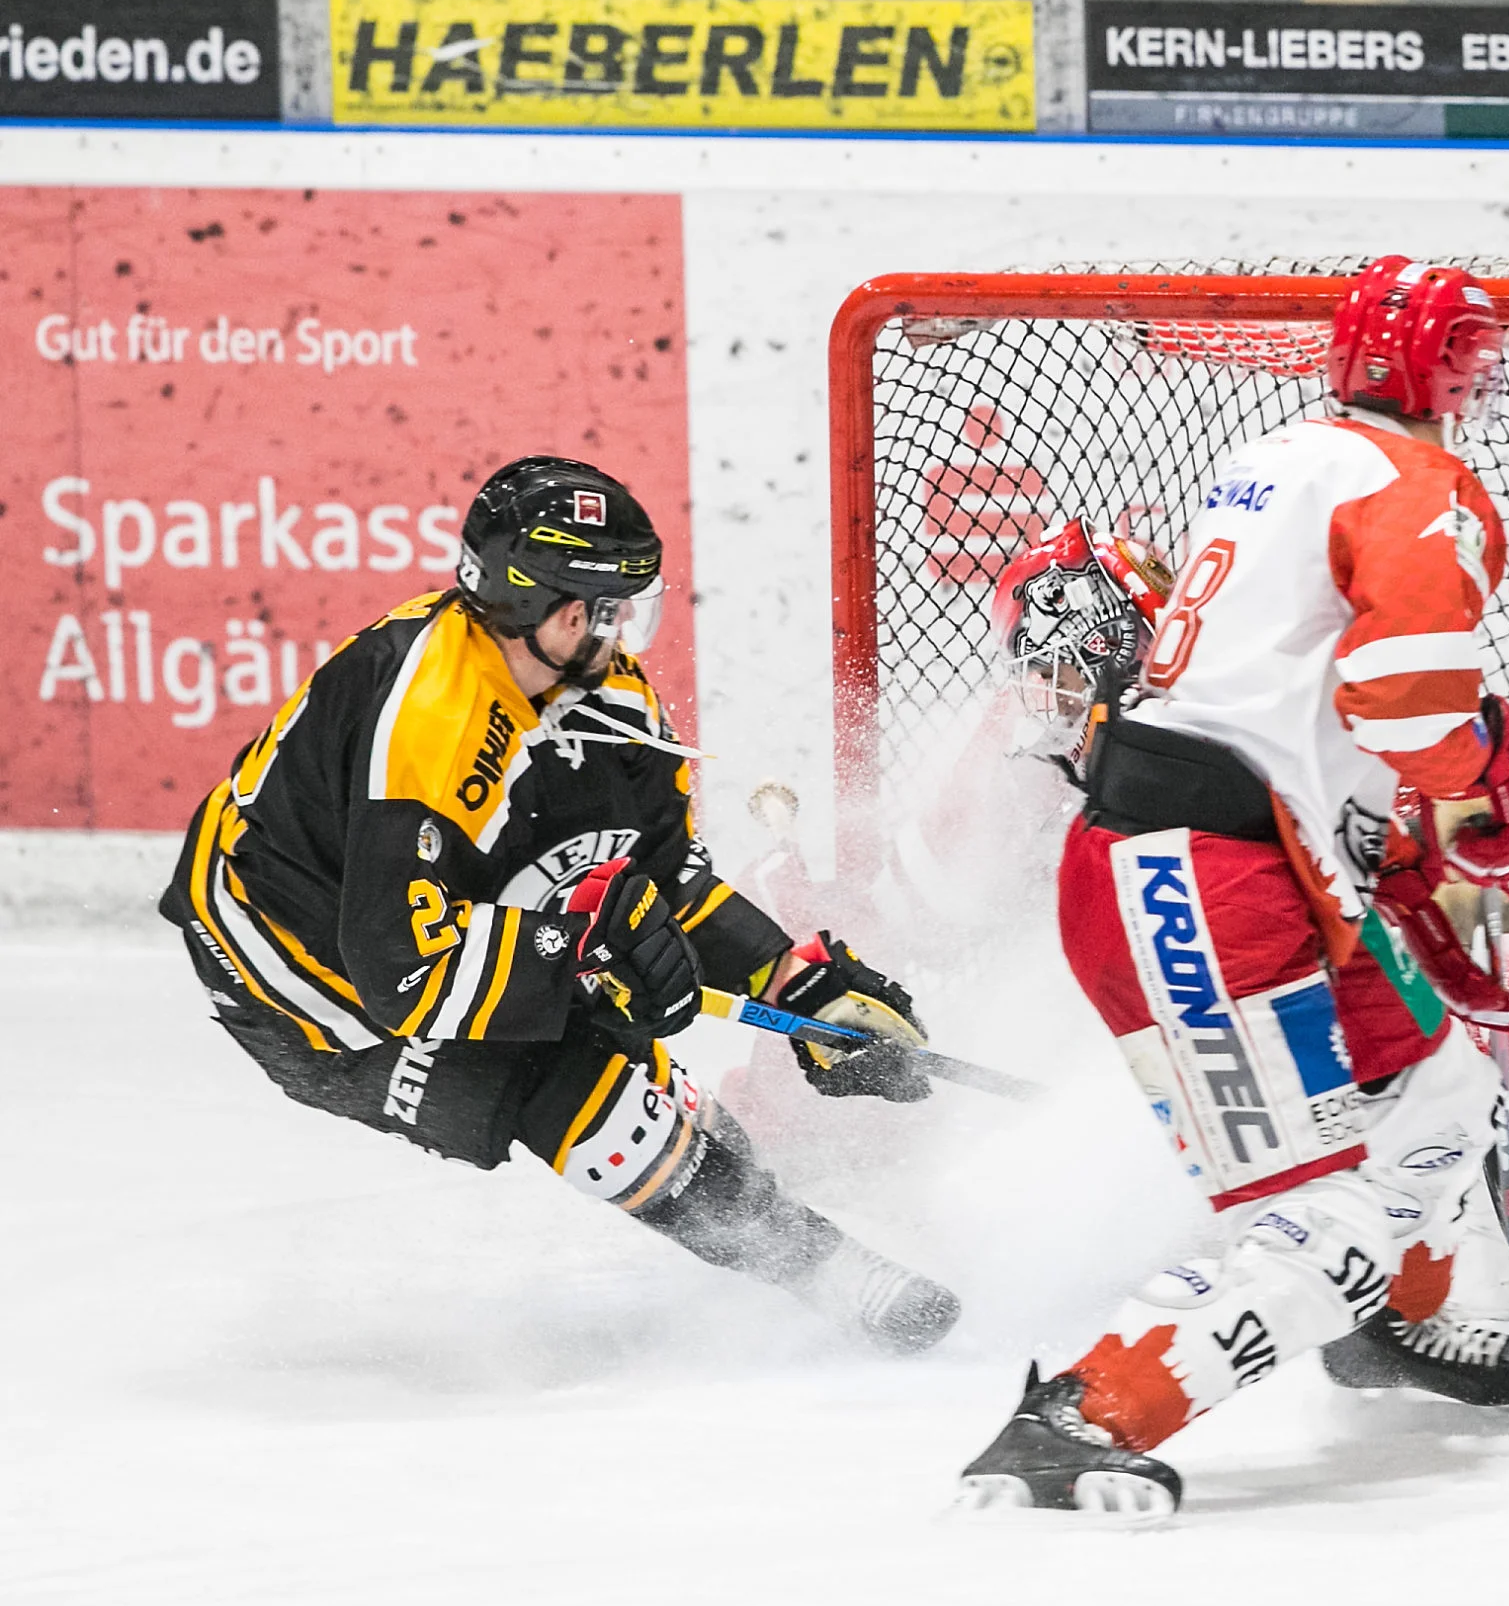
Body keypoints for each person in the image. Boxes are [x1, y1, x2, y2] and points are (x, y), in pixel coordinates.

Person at [958, 258, 1509, 1518]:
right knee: (1328, 1210)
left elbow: (1297, 689)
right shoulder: (1414, 479)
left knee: (1445, 1082)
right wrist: (1481, 771)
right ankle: (1081, 1414)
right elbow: (1403, 690)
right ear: (1449, 362)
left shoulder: (1280, 450)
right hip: (1207, 876)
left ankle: (1390, 1325)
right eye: (1475, 352)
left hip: (1242, 859)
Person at [161, 455, 960, 1353]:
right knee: (557, 1070)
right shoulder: (430, 719)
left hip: (415, 918)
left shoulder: (601, 690)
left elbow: (668, 880)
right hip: (299, 974)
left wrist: (799, 986)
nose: (621, 629)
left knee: (628, 1047)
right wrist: (577, 964)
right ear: (551, 607)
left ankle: (747, 1209)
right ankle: (824, 1270)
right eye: (606, 607)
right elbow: (400, 969)